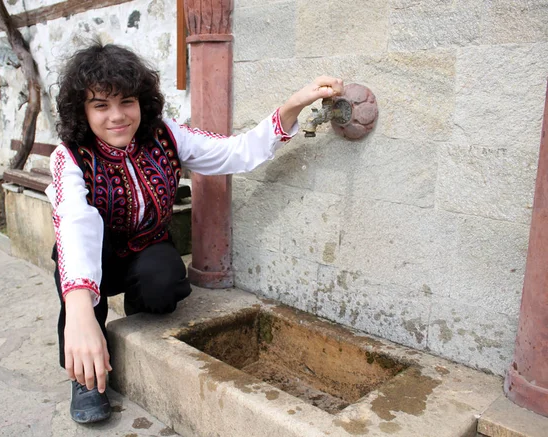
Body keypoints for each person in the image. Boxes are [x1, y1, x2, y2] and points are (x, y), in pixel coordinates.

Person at [45, 42, 344, 424]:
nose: (117, 117)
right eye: (101, 105)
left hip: (145, 248)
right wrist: (80, 313)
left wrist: (290, 107)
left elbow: (232, 152)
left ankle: (139, 306)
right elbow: (75, 224)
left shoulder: (166, 135)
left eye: (127, 102)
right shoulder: (69, 156)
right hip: (92, 256)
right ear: (82, 111)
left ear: (142, 102)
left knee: (164, 284)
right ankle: (85, 377)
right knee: (81, 303)